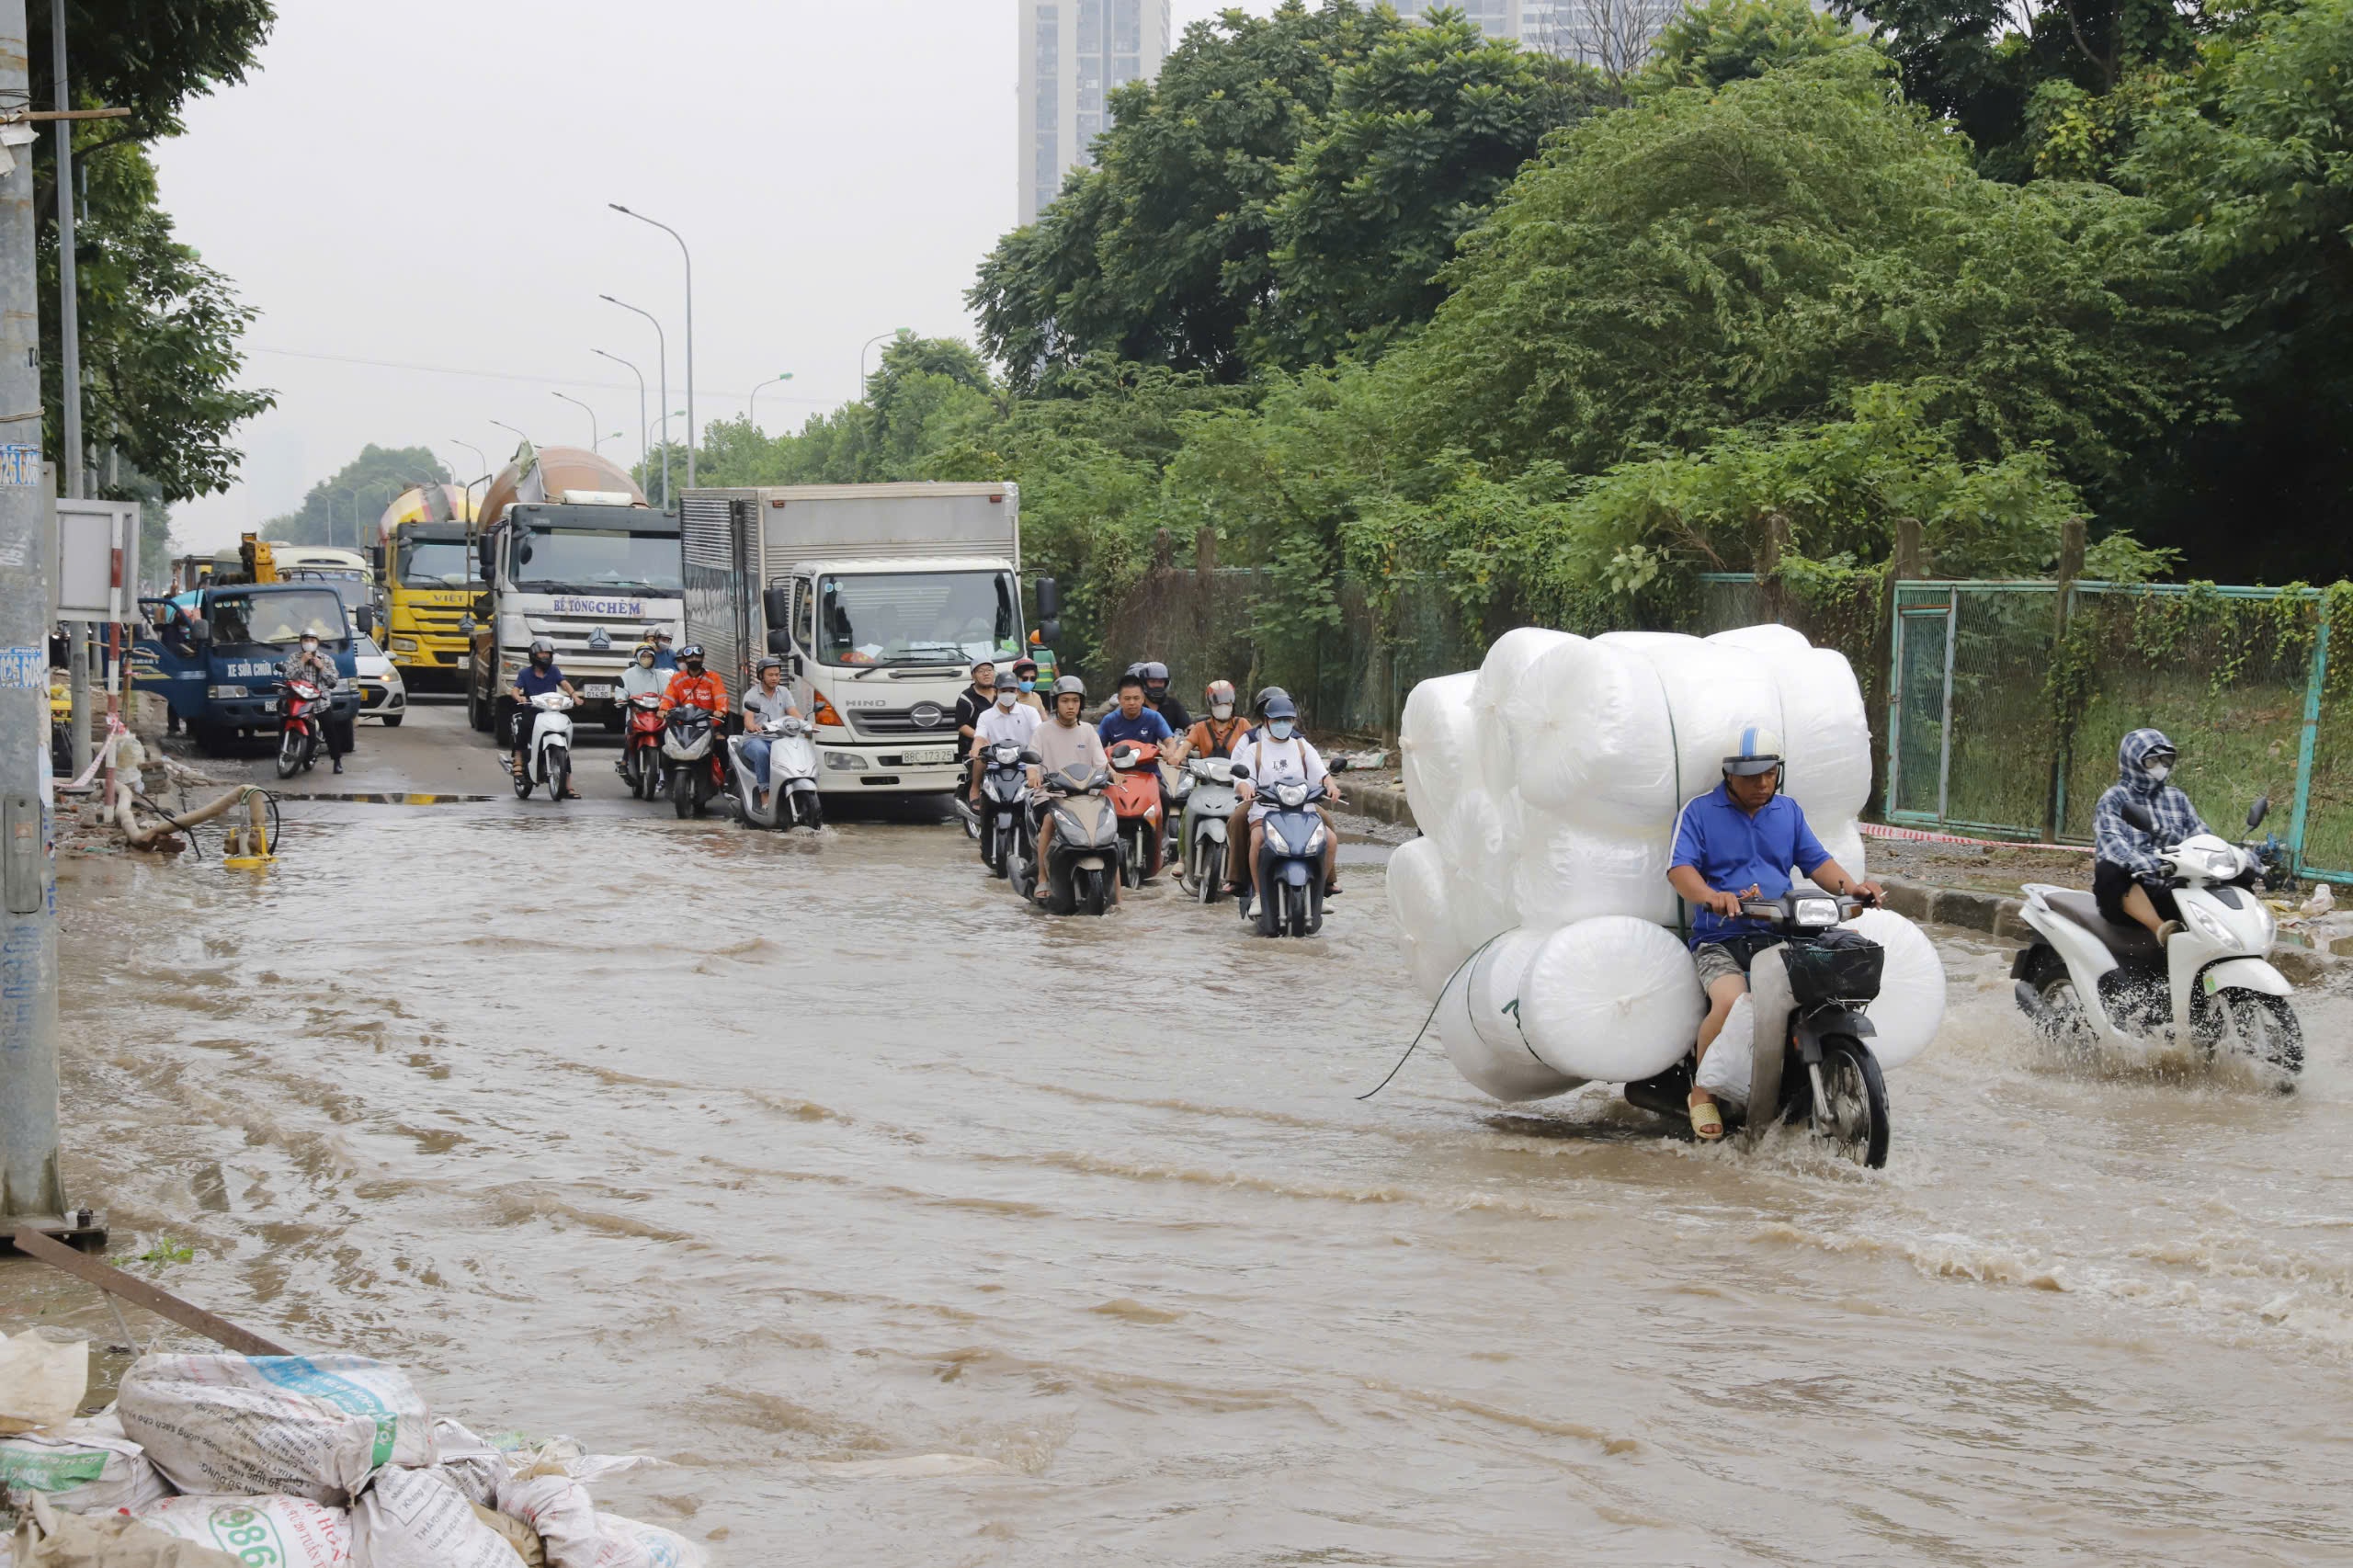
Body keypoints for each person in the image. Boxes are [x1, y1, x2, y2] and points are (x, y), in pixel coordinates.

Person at [1666, 726, 1882, 1143]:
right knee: (1731, 1001)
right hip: (1722, 939)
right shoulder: (1699, 812)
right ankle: (1701, 1092)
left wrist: (1854, 888)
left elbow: (1818, 862)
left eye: (1769, 774)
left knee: (1817, 995)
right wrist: (1712, 897)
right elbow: (1680, 870)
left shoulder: (1788, 812)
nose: (1761, 784)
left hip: (1779, 934)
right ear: (1729, 774)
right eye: (1750, 777)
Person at [2092, 728, 2205, 944]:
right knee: (2109, 869)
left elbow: (2200, 836)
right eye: (2152, 761)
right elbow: (2113, 846)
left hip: (2170, 888)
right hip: (2131, 893)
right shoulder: (2115, 799)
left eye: (2166, 760)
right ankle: (2161, 929)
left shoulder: (2177, 798)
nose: (2160, 767)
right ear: (2133, 762)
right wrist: (2155, 862)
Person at [1228, 695, 1345, 902]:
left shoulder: (1302, 746)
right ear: (1266, 721)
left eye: (1287, 720)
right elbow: (1242, 779)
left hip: (1302, 811)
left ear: (1293, 721)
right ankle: (1258, 895)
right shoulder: (1255, 749)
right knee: (1257, 839)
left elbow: (1321, 773)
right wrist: (1245, 787)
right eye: (1276, 720)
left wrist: (1331, 785)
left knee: (1331, 840)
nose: (1282, 724)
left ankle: (1318, 892)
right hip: (1266, 810)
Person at [1028, 675, 1111, 905]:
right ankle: (1042, 877)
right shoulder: (1042, 731)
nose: (1071, 706)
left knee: (1110, 833)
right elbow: (1032, 762)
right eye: (1065, 701)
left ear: (1081, 703)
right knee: (1047, 822)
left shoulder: (1088, 731)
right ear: (1056, 703)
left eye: (1075, 700)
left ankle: (1118, 897)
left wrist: (1114, 774)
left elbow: (1101, 763)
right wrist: (1033, 775)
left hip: (1086, 797)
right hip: (1052, 795)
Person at [508, 636, 580, 795]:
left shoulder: (554, 670)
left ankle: (567, 785)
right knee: (524, 726)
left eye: (548, 653)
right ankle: (518, 759)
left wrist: (574, 695)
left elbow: (564, 683)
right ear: (534, 656)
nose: (546, 657)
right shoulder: (525, 673)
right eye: (542, 654)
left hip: (551, 711)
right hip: (533, 711)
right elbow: (515, 689)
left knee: (564, 747)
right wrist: (519, 697)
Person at [279, 631, 352, 775]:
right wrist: (302, 662)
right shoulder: (294, 658)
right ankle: (288, 752)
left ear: (317, 642)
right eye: (306, 639)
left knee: (330, 730)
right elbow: (288, 675)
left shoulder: (326, 659)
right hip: (300, 702)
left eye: (312, 639)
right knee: (293, 727)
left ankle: (337, 761)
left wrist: (321, 667)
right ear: (301, 642)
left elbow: (333, 682)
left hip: (320, 702)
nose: (309, 642)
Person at [968, 668, 1041, 801]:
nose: (1008, 694)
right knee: (980, 757)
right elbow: (979, 737)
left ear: (1017, 692)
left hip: (1025, 762)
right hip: (996, 763)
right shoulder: (986, 716)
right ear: (996, 691)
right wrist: (975, 749)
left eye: (1011, 691)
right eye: (1004, 691)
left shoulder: (1030, 712)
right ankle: (974, 787)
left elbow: (1039, 736)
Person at [739, 657, 802, 809]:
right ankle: (764, 794)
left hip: (778, 739)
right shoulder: (751, 695)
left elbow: (793, 712)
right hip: (755, 739)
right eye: (770, 675)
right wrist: (752, 726)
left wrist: (807, 724)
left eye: (777, 675)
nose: (775, 678)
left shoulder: (784, 692)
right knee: (762, 752)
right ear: (761, 676)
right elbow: (748, 720)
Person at [1167, 679, 1248, 767]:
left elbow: (1256, 747)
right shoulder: (1200, 727)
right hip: (1205, 777)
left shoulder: (1242, 724)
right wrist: (1176, 758)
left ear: (1232, 704)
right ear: (1210, 705)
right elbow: (1185, 747)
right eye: (1217, 704)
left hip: (1235, 777)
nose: (1222, 707)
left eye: (1227, 703)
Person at [1097, 673, 1176, 749]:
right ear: (1119, 699)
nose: (1132, 703)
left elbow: (1170, 742)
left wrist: (1170, 752)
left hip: (1149, 762)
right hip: (1118, 762)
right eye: (1127, 698)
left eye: (1136, 698)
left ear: (1143, 699)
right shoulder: (1109, 720)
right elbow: (1097, 747)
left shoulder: (1154, 717)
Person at [952, 659, 997, 763]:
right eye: (981, 671)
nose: (986, 674)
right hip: (975, 748)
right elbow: (961, 725)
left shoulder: (1002, 693)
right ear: (973, 675)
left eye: (989, 670)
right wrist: (981, 738)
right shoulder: (966, 697)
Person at [1138, 660, 1191, 733]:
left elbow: (1188, 727)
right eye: (1152, 681)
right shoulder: (1136, 705)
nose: (1157, 685)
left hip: (1169, 744)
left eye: (1160, 682)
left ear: (1166, 683)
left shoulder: (1173, 704)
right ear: (1144, 683)